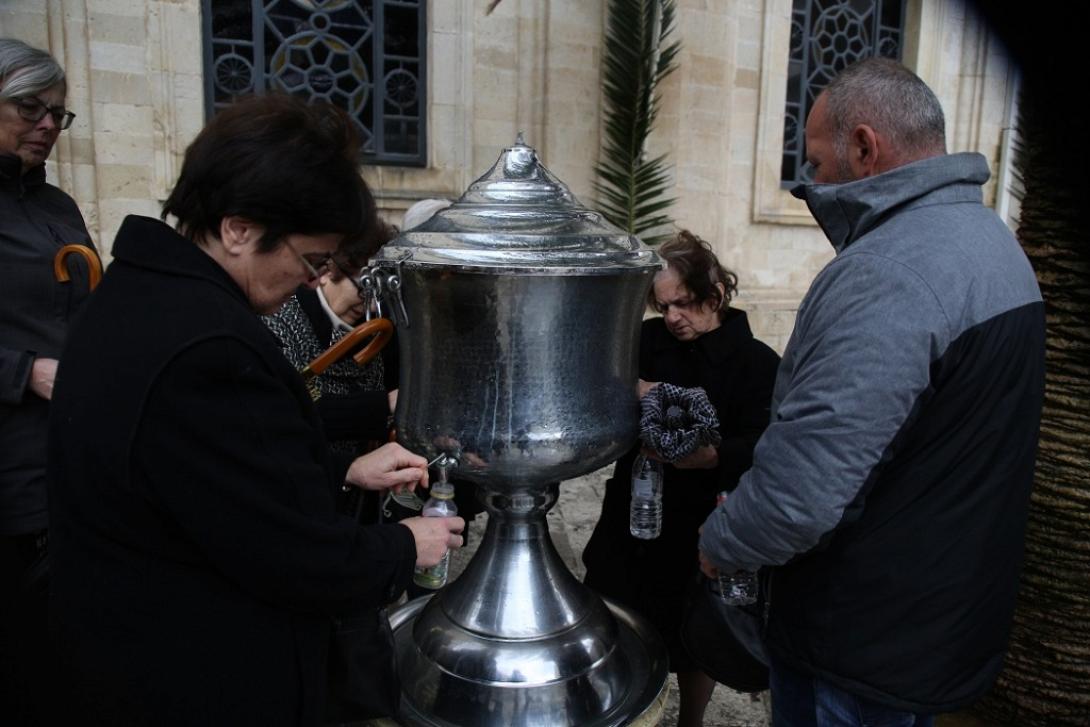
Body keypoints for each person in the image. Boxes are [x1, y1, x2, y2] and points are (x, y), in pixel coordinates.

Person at [46, 94, 465, 726]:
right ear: (239, 228)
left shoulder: (139, 294)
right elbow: (295, 561)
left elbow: (202, 479)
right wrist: (405, 545)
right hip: (192, 671)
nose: (312, 282)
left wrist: (340, 471)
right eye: (313, 260)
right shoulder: (210, 347)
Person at [697, 58, 1045, 726]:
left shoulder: (891, 271)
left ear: (864, 145)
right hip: (935, 630)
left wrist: (721, 541)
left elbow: (802, 492)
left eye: (819, 163)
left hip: (857, 647)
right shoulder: (995, 246)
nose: (813, 182)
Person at [582, 230, 780, 727]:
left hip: (700, 521)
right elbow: (596, 385)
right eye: (663, 305)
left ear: (715, 296)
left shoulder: (756, 363)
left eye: (684, 304)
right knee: (613, 621)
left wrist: (714, 457)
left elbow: (768, 444)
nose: (672, 317)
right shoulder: (647, 340)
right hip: (633, 514)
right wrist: (636, 387)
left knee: (694, 637)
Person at [0, 38, 94, 725]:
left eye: (57, 115)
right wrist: (23, 370)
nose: (45, 125)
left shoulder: (60, 204)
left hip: (71, 460)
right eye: (28, 107)